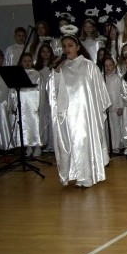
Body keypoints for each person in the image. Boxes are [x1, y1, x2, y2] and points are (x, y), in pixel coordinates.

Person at [48, 35, 111, 188]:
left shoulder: (88, 66)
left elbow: (100, 91)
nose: (67, 49)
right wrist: (55, 73)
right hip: (68, 113)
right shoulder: (61, 68)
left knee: (83, 140)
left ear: (77, 47)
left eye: (70, 45)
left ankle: (87, 175)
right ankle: (74, 174)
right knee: (70, 142)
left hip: (85, 114)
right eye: (64, 46)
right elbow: (52, 91)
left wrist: (96, 111)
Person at [13, 53, 44, 157]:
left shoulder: (37, 74)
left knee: (35, 124)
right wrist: (13, 104)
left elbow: (41, 90)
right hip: (22, 103)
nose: (27, 63)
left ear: (32, 62)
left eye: (29, 61)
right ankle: (28, 147)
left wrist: (40, 104)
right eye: (25, 61)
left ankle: (37, 146)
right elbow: (13, 91)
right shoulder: (17, 74)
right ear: (21, 62)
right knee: (25, 125)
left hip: (34, 103)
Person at [102, 55, 124, 155]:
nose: (108, 67)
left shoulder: (117, 79)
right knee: (106, 126)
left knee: (116, 126)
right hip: (104, 107)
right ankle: (108, 146)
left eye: (110, 65)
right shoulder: (101, 79)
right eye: (106, 65)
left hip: (115, 106)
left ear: (114, 67)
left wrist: (120, 106)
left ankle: (116, 146)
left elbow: (120, 93)